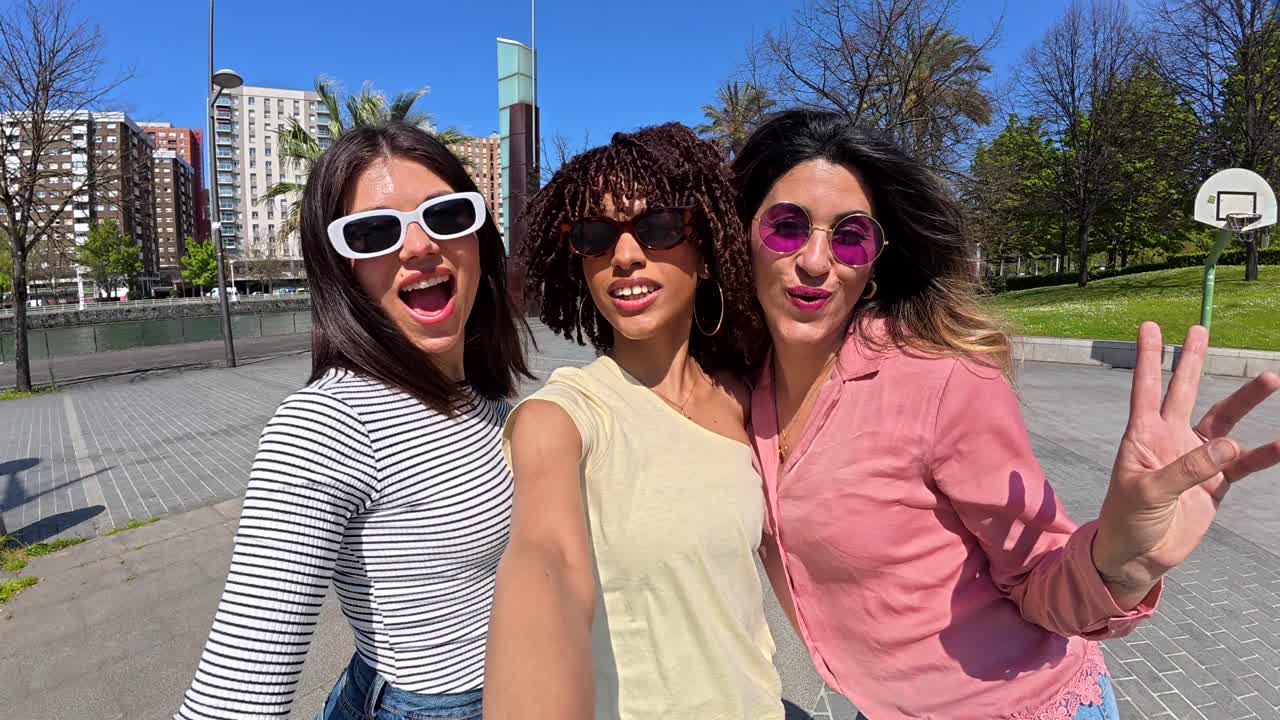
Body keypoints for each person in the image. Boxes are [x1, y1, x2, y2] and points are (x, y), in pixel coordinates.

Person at [731, 108, 1280, 720]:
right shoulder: (736, 391)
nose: (814, 260)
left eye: (850, 235)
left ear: (876, 261)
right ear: (741, 238)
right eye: (785, 226)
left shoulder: (942, 379)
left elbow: (1037, 581)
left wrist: (1120, 561)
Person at [175, 122, 531, 720]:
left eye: (447, 216)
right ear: (341, 270)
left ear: (480, 238)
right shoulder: (326, 424)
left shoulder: (485, 396)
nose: (418, 247)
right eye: (373, 232)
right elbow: (236, 693)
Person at [484, 123, 785, 720]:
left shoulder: (746, 399)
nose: (625, 255)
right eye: (596, 236)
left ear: (706, 249)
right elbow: (547, 566)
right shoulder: (560, 417)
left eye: (659, 227)